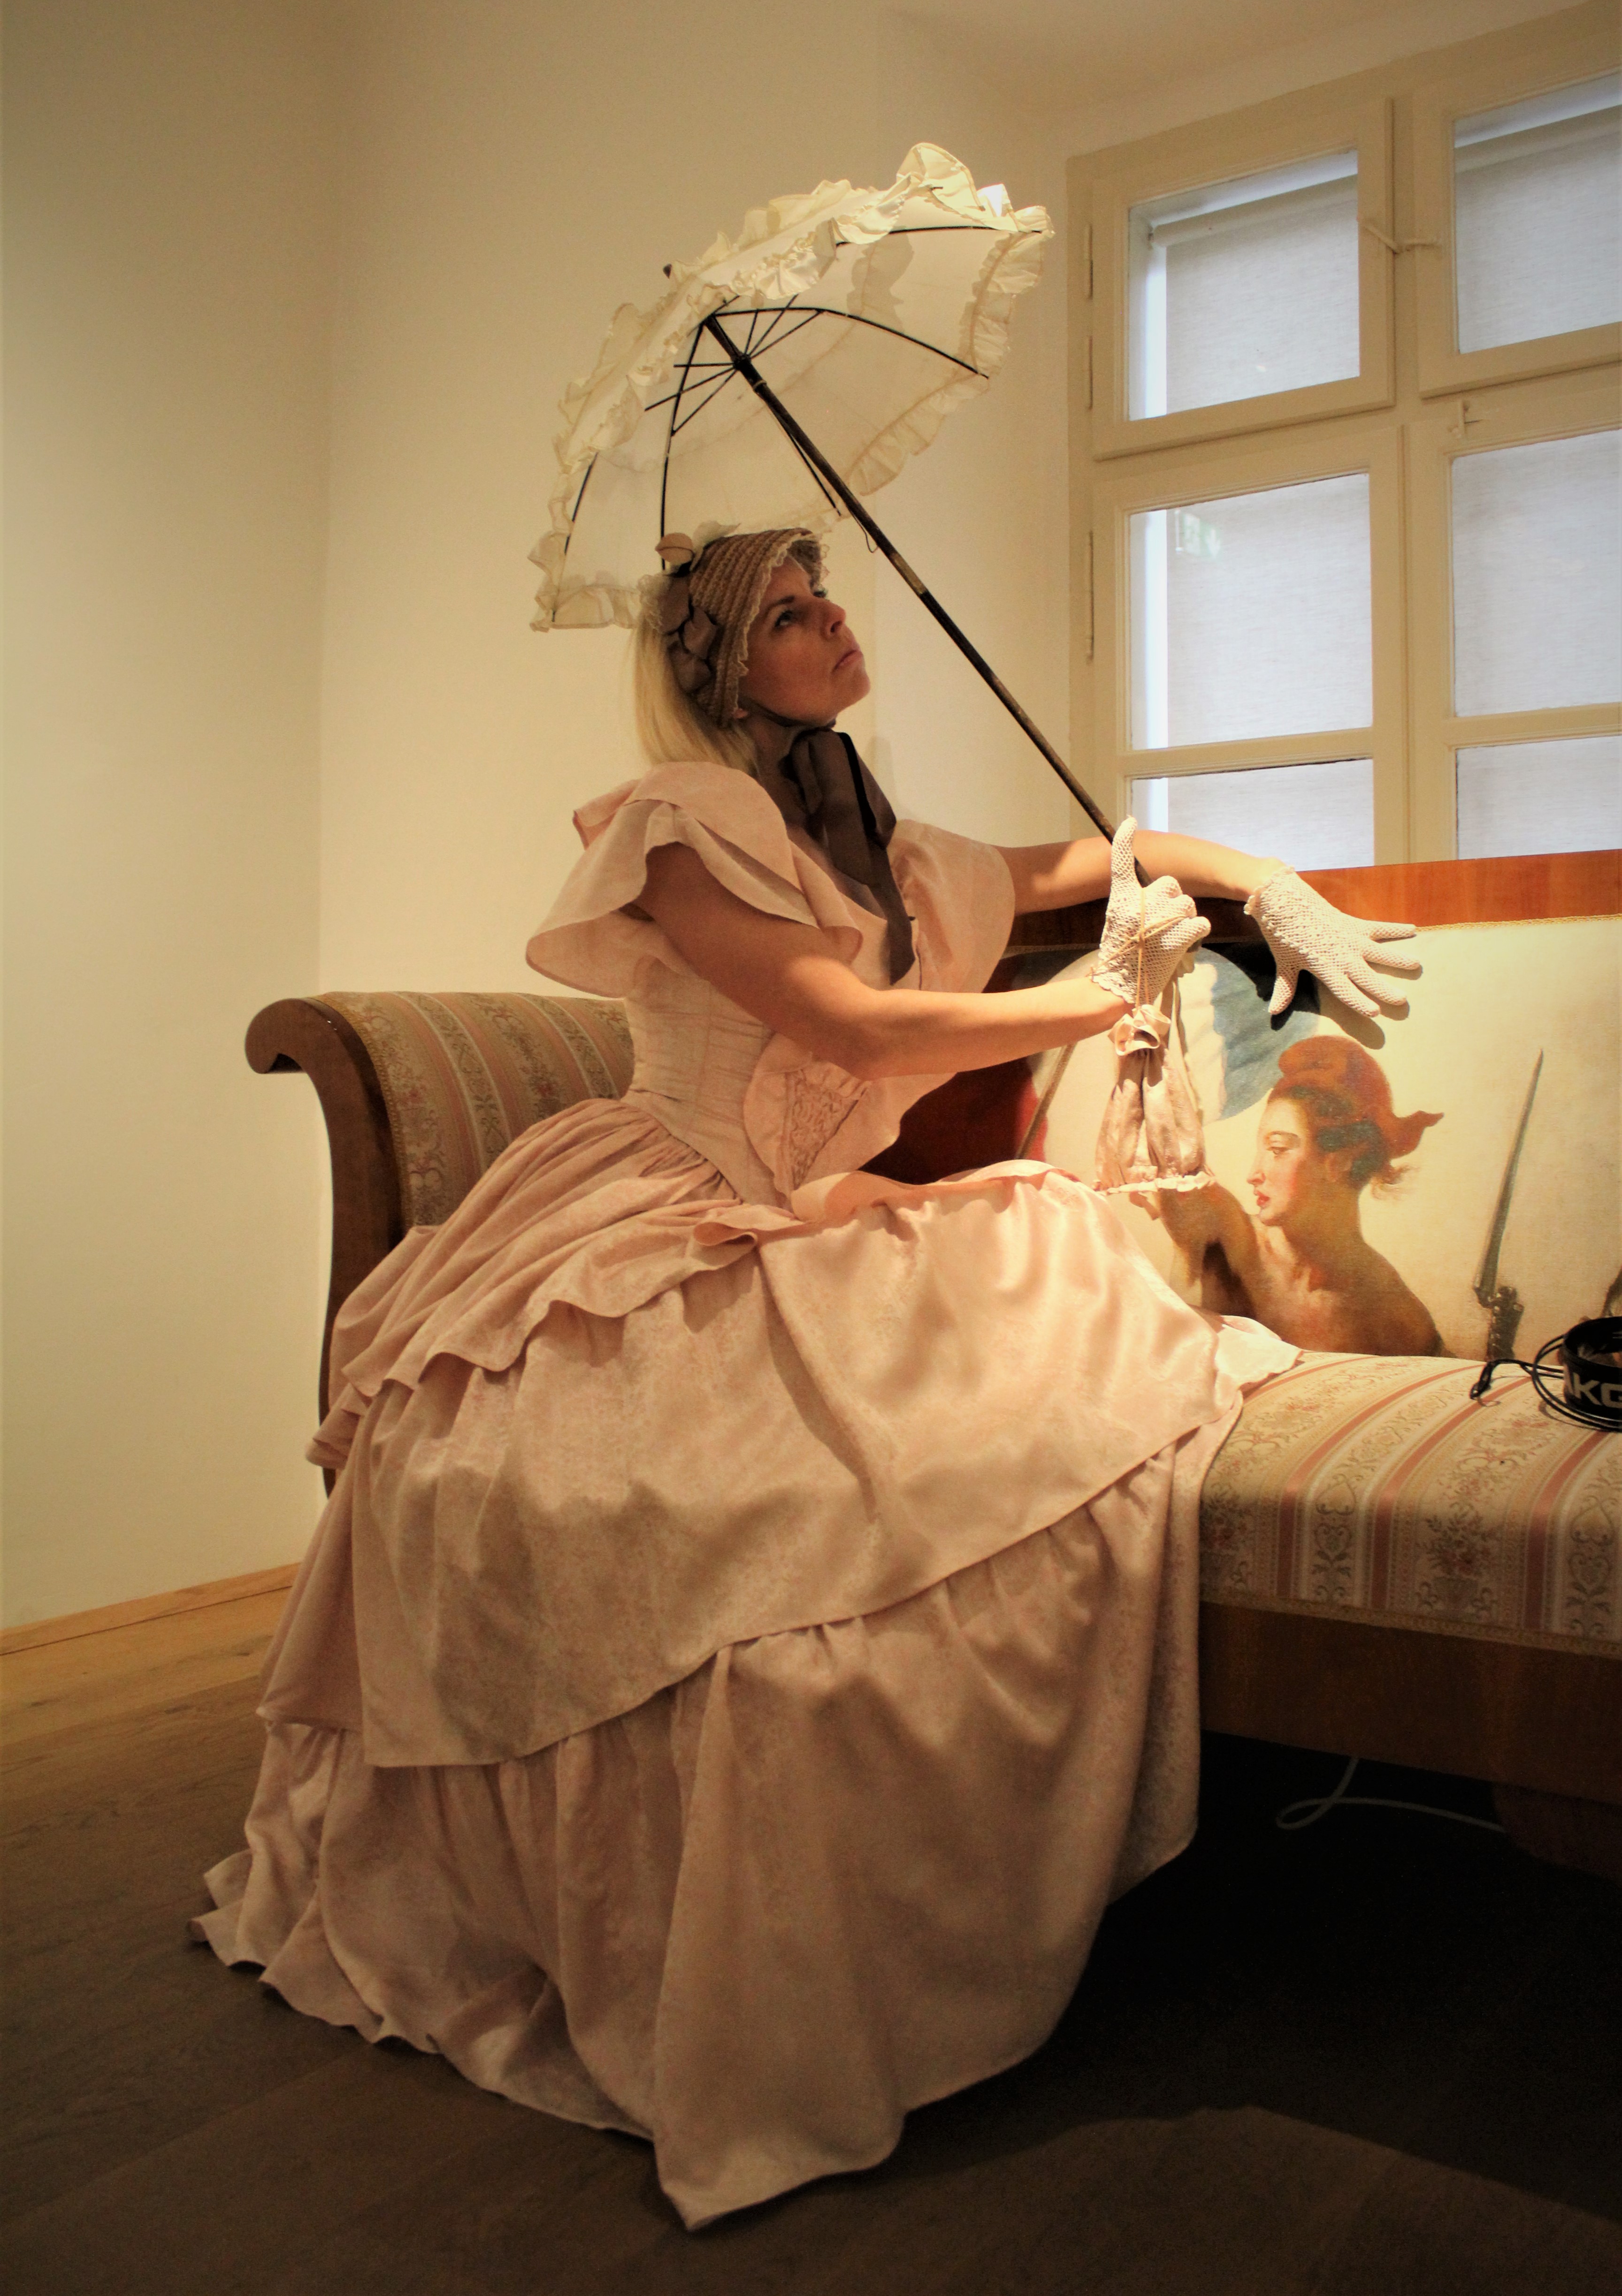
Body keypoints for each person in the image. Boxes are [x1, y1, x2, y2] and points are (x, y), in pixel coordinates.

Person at [195, 527, 1423, 2227]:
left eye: (825, 591)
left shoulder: (890, 845)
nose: (831, 618)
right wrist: (1092, 1004)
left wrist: (1267, 886)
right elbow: (849, 1026)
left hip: (811, 1212)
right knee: (686, 1502)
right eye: (785, 610)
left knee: (1052, 1302)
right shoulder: (681, 819)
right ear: (717, 671)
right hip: (662, 1202)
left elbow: (1096, 849)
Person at [1154, 1035, 1444, 1354]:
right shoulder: (1226, 1234)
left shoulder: (1393, 1310)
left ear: (1341, 1161)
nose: (1254, 1174)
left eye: (1278, 1149)